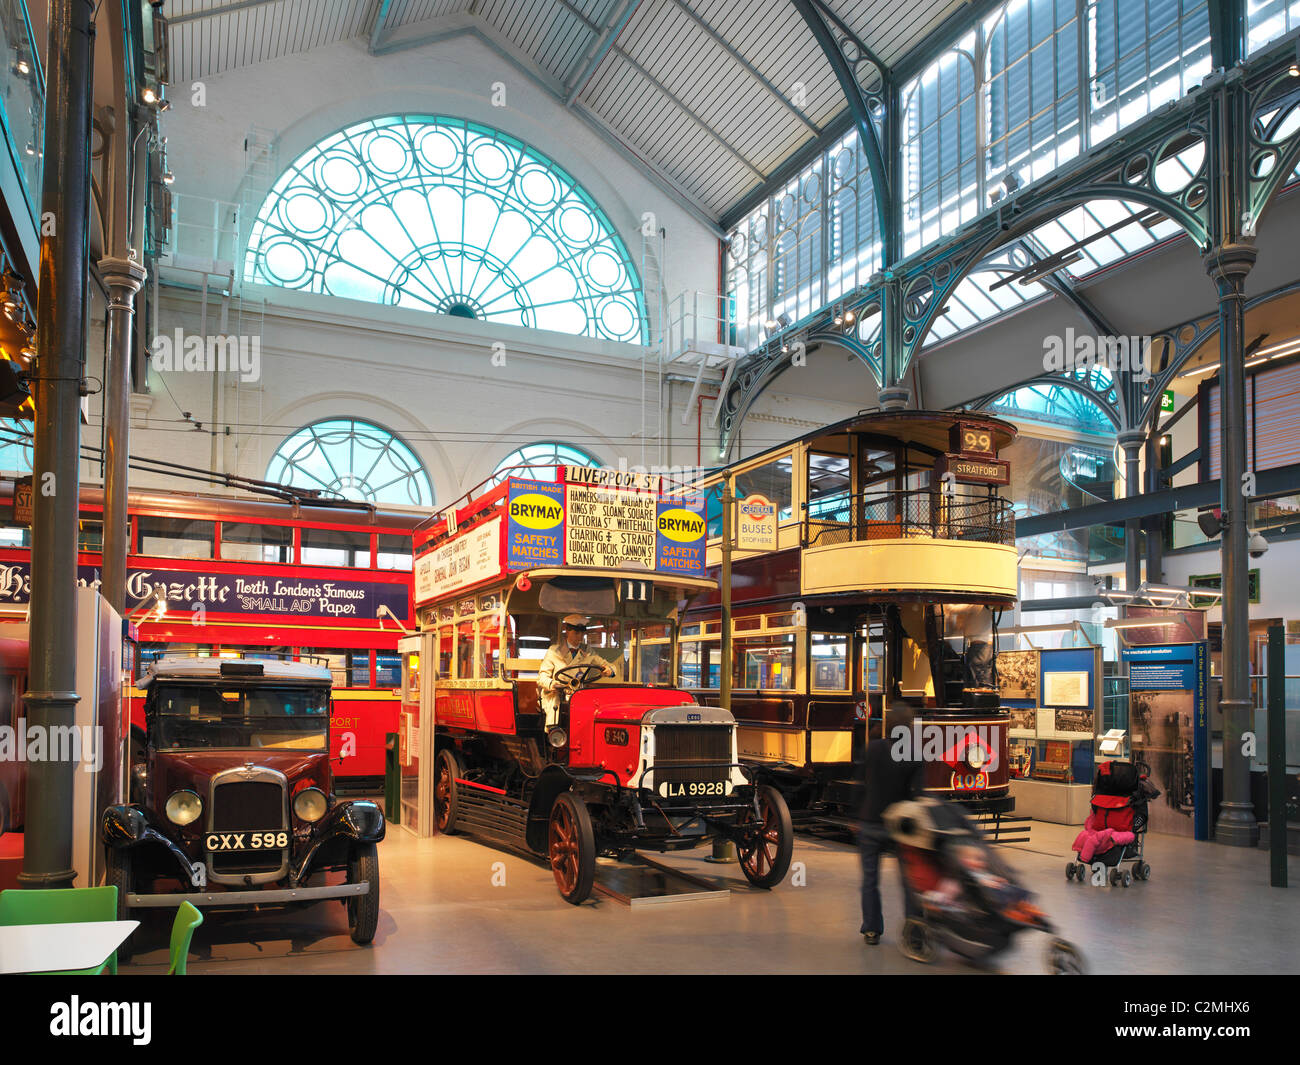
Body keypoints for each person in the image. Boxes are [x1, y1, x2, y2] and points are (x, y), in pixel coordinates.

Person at [859, 698, 925, 946]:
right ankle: (915, 931)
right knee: (910, 881)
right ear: (909, 726)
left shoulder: (872, 749)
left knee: (869, 880)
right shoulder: (915, 754)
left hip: (870, 821)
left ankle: (871, 930)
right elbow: (919, 795)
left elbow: (861, 785)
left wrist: (857, 815)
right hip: (901, 826)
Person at [538, 614, 615, 727]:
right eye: (576, 633)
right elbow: (542, 678)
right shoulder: (554, 651)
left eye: (582, 633)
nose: (580, 637)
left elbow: (606, 664)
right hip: (556, 694)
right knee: (555, 709)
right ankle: (554, 734)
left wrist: (610, 670)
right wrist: (553, 684)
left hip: (578, 695)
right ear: (567, 631)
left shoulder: (587, 651)